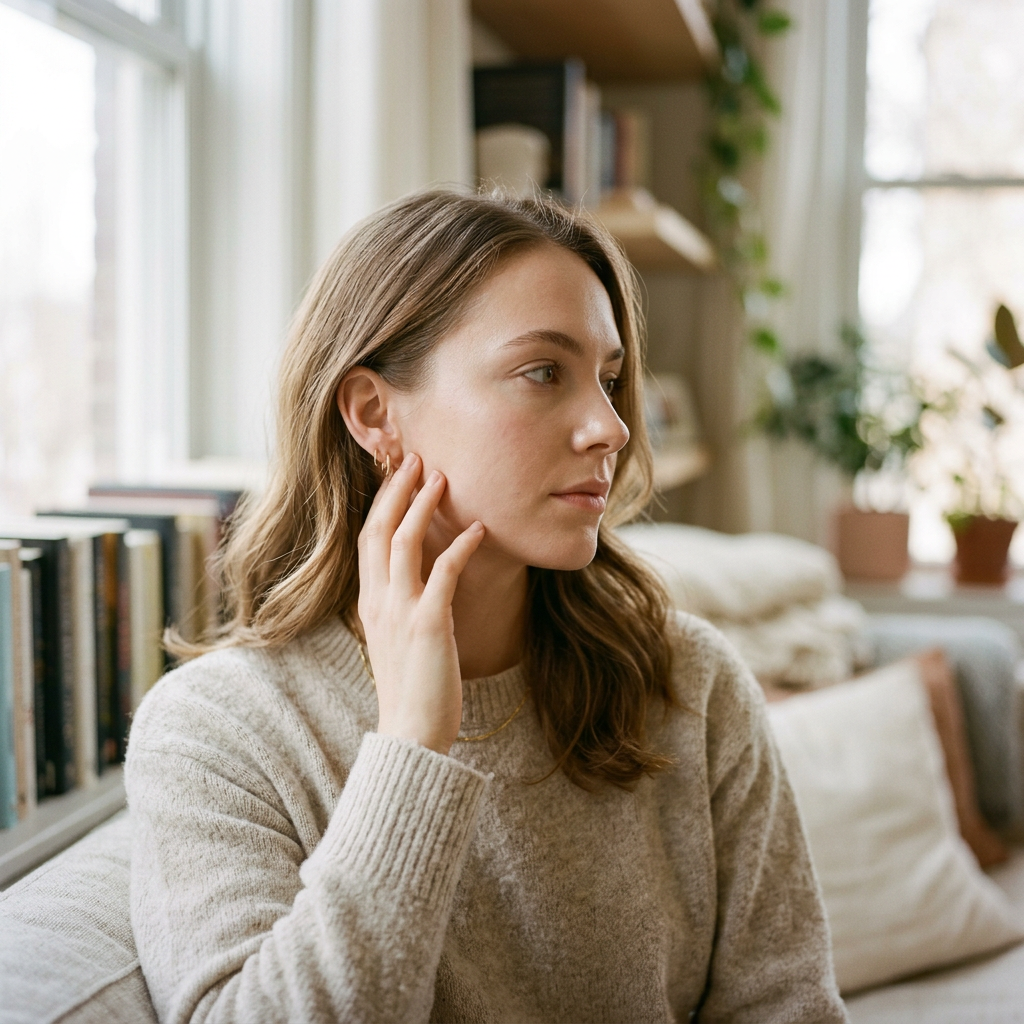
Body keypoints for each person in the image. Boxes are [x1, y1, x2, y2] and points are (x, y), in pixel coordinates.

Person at [125, 189, 848, 1023]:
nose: (610, 427)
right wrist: (411, 747)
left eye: (608, 379)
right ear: (374, 413)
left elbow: (789, 1006)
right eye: (543, 371)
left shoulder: (691, 683)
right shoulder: (216, 732)